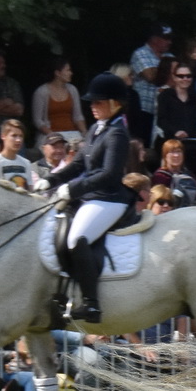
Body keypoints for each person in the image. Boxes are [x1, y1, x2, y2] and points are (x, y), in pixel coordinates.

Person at [37, 73, 135, 323]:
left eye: (98, 102)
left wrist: (73, 190)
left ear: (115, 104)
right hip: (91, 196)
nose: (92, 107)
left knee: (76, 239)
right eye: (91, 103)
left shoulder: (117, 134)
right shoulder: (96, 129)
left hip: (109, 198)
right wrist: (52, 180)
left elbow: (109, 174)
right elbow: (78, 164)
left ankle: (92, 304)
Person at [31, 57, 83, 146]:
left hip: (72, 134)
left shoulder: (73, 90)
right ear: (58, 73)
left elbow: (78, 116)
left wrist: (85, 132)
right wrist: (53, 135)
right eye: (68, 70)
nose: (71, 73)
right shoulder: (41, 92)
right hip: (50, 135)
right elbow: (38, 120)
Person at [0, 120, 39, 189]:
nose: (18, 140)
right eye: (14, 136)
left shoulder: (26, 163)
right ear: (3, 136)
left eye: (21, 136)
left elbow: (30, 190)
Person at [131, 24, 172, 117]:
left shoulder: (170, 56)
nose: (170, 42)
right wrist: (169, 70)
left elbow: (176, 77)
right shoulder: (140, 53)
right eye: (166, 38)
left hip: (162, 110)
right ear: (154, 39)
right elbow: (151, 76)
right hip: (143, 109)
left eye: (170, 38)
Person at [150, 138, 196, 205]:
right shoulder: (160, 177)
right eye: (172, 152)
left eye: (178, 151)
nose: (176, 155)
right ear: (165, 156)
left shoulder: (188, 174)